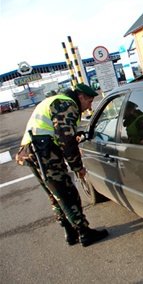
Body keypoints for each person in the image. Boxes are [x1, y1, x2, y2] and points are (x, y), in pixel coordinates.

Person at [16, 84, 108, 247]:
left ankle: (70, 233)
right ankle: (84, 233)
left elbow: (59, 132)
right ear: (80, 97)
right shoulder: (67, 104)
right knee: (67, 194)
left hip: (31, 153)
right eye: (89, 101)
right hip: (45, 154)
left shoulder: (55, 101)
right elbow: (66, 140)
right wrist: (77, 167)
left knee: (56, 196)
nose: (89, 106)